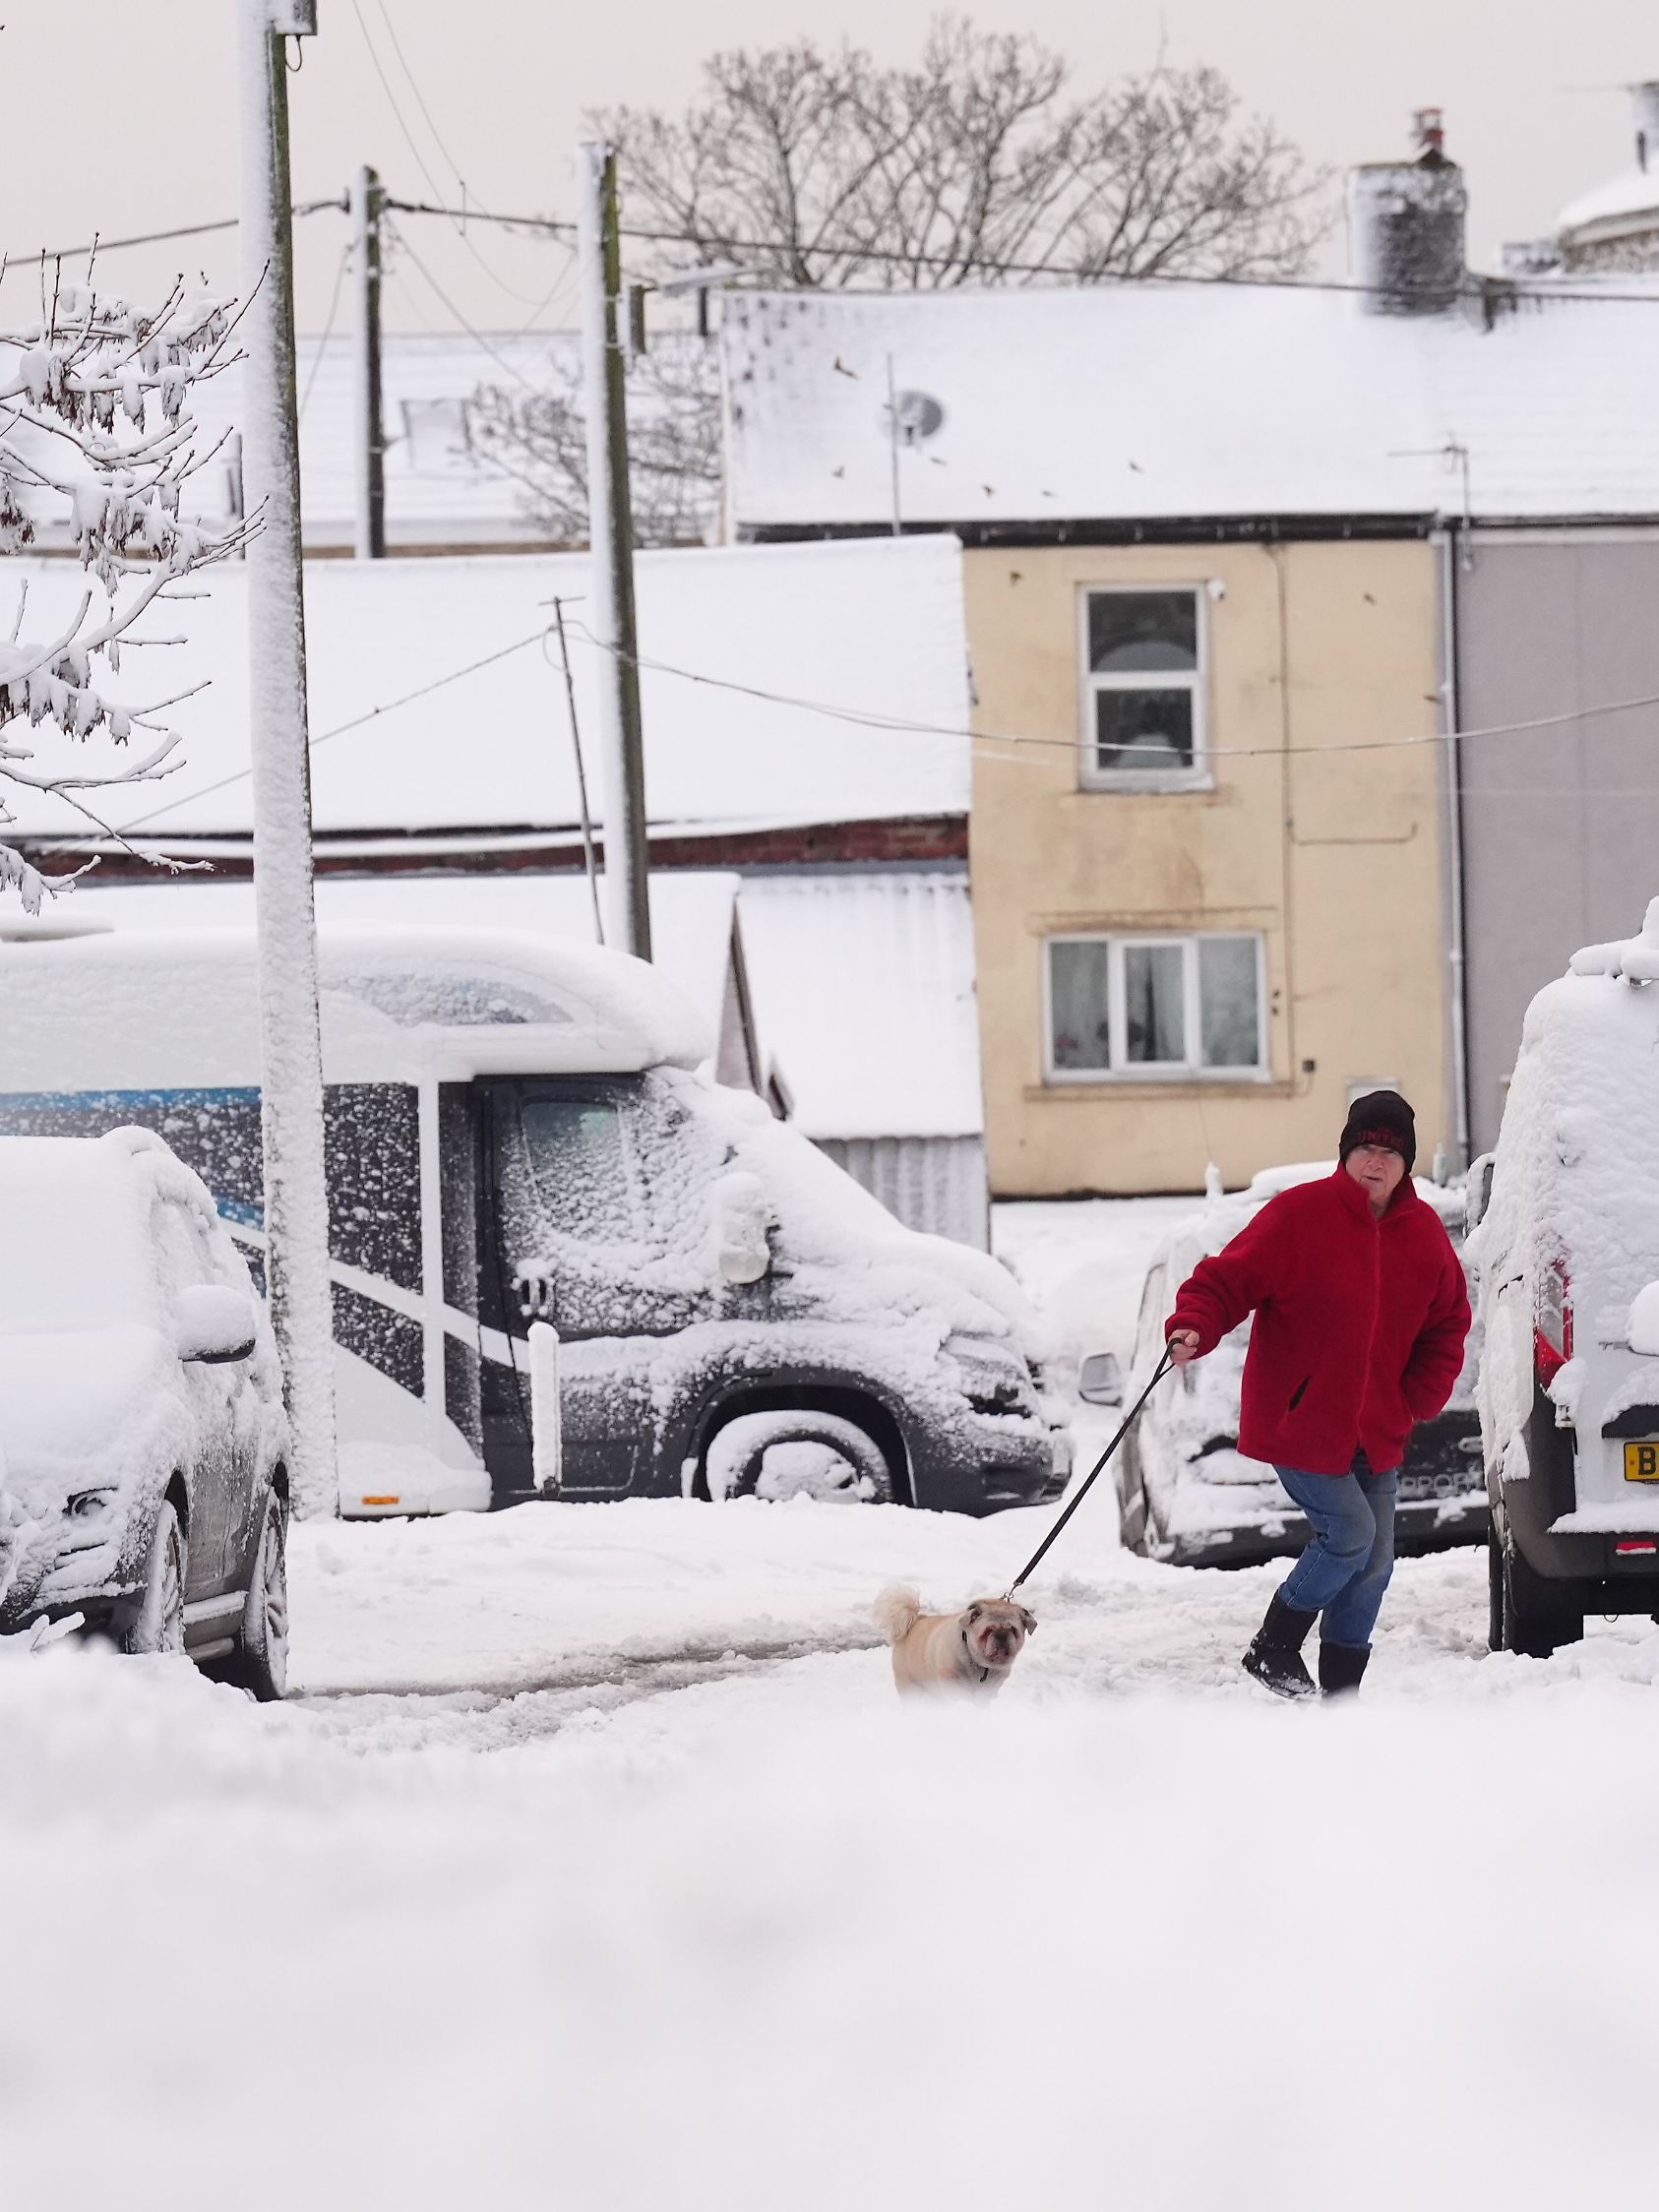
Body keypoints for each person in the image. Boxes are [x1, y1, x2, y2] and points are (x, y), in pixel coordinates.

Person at [1164, 1091, 1471, 1700]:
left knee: (1375, 1565)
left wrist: (1417, 1398)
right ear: (1346, 1153)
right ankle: (1274, 1646)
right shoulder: (1299, 1214)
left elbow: (1449, 1321)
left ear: (1406, 1163)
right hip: (1299, 1419)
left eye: (1389, 1151)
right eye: (1365, 1147)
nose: (1375, 1161)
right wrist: (1196, 1322)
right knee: (1350, 1535)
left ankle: (1339, 1700)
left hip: (1376, 1428)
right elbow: (1227, 1278)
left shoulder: (1424, 1234)